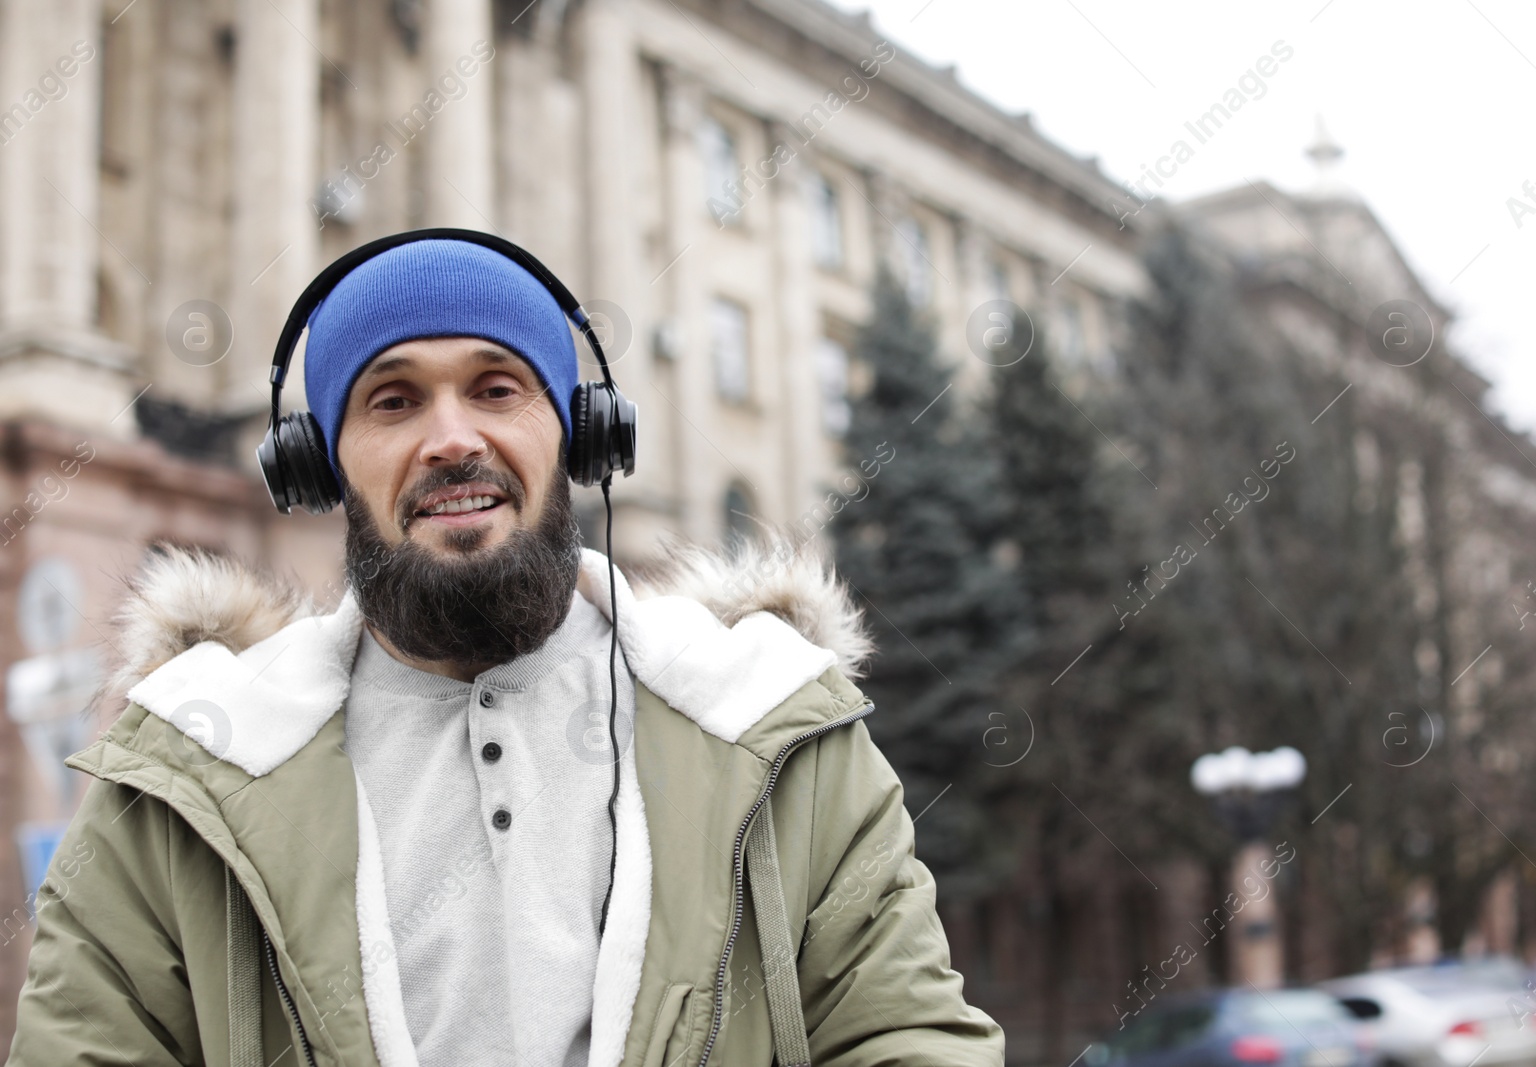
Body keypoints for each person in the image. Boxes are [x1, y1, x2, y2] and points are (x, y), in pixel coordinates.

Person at [7, 234, 1003, 1066]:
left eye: (496, 388)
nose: (452, 437)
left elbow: (905, 1037)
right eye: (392, 400)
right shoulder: (184, 770)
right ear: (320, 465)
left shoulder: (775, 728)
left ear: (578, 434)